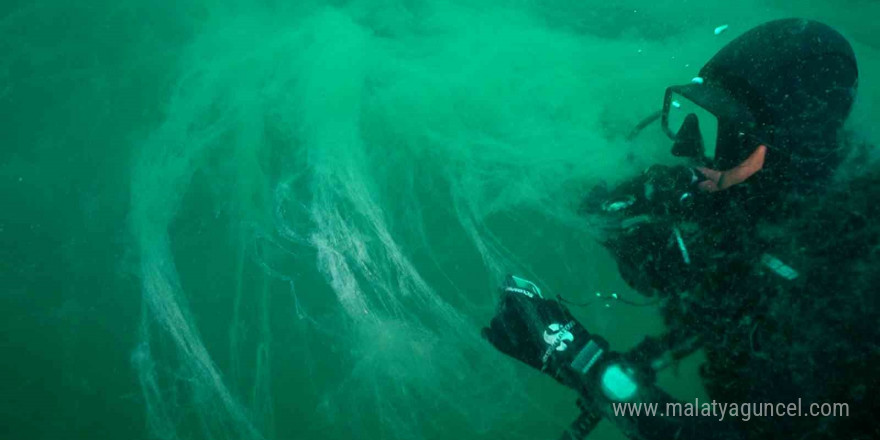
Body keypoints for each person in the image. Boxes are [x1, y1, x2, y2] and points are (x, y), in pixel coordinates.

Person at [483, 18, 878, 440]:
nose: (685, 149)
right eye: (693, 116)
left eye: (723, 133)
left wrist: (585, 364)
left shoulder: (854, 277)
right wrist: (620, 221)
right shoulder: (759, 190)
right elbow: (694, 284)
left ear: (786, 146)